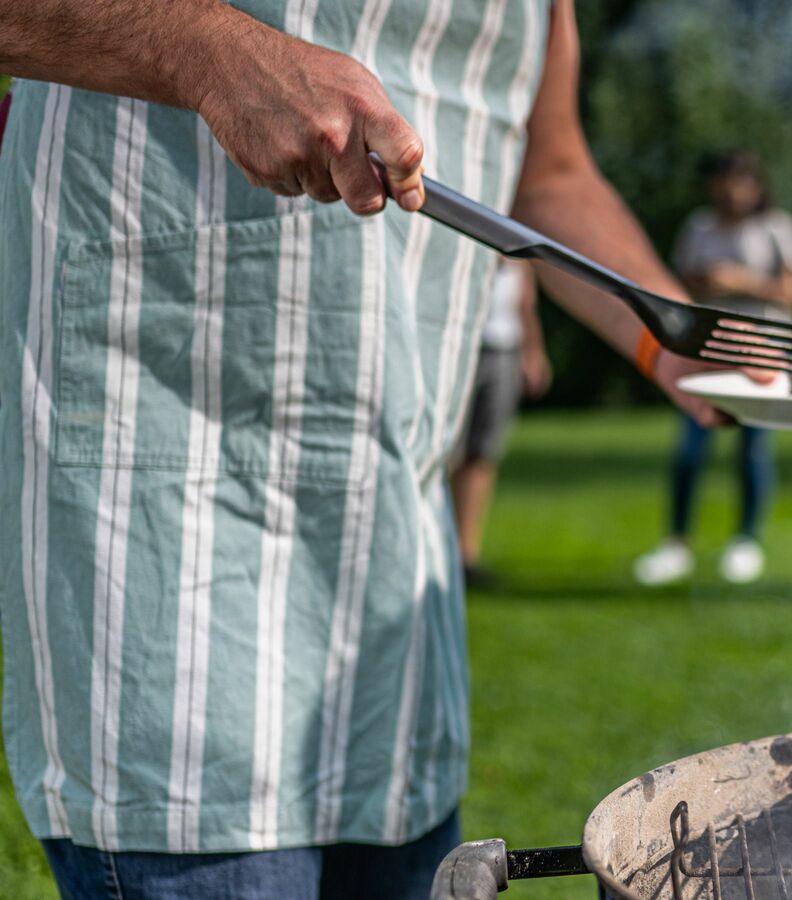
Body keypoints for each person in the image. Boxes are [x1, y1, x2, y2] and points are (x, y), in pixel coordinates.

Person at [0, 1, 745, 896]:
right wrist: (209, 52)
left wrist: (677, 340)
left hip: (393, 586)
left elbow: (546, 172)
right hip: (162, 539)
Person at [634, 151, 792, 586]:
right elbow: (678, 283)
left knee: (753, 449)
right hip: (709, 354)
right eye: (723, 181)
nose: (731, 191)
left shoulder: (776, 227)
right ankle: (677, 543)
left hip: (763, 355)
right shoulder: (700, 227)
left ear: (756, 184)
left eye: (740, 181)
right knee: (690, 450)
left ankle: (746, 541)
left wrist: (739, 281)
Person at [451, 260, 551, 590]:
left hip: (504, 350)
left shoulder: (517, 249)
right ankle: (440, 551)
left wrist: (533, 351)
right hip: (461, 347)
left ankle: (466, 555)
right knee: (448, 454)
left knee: (483, 453)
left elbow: (525, 303)